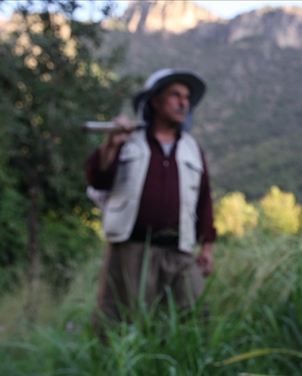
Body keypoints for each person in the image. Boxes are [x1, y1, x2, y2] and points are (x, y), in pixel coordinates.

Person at [86, 68, 216, 340]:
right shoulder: (127, 141)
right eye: (175, 95)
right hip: (131, 247)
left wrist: (206, 246)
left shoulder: (192, 149)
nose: (183, 103)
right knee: (124, 321)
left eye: (187, 97)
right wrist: (110, 144)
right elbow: (99, 179)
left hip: (179, 250)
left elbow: (204, 199)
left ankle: (186, 372)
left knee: (192, 315)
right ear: (155, 101)